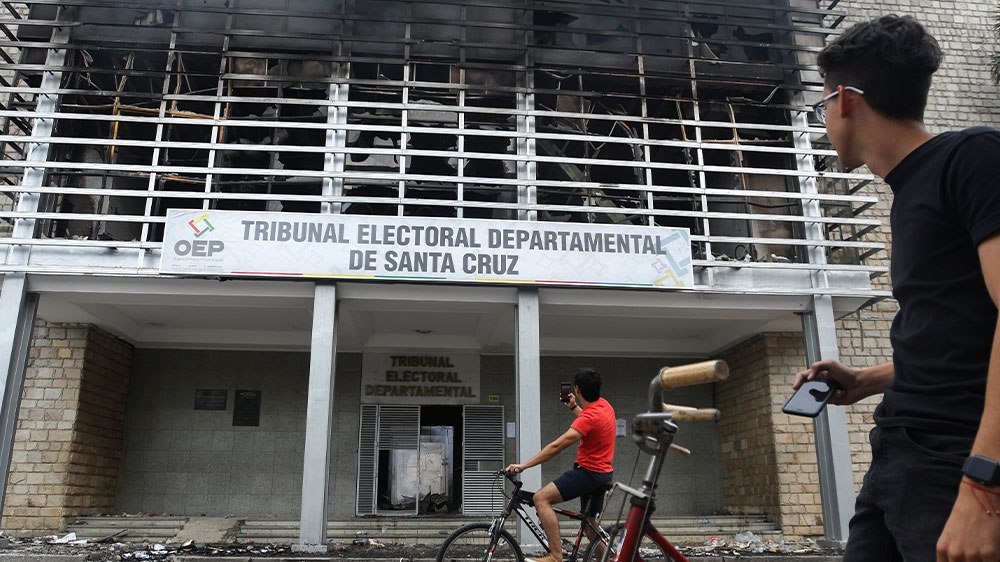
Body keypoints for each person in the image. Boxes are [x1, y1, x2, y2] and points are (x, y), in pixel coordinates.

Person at [793, 14, 1000, 562]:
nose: (824, 122)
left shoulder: (974, 157)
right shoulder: (911, 190)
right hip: (897, 457)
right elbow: (964, 340)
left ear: (845, 100)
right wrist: (870, 378)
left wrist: (983, 486)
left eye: (820, 108)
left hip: (953, 459)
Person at [504, 367, 615, 562]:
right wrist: (573, 407)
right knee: (591, 530)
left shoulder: (588, 418)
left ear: (577, 390)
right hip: (604, 474)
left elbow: (556, 447)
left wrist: (523, 466)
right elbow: (590, 422)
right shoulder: (604, 406)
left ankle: (555, 556)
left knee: (541, 499)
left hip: (588, 473)